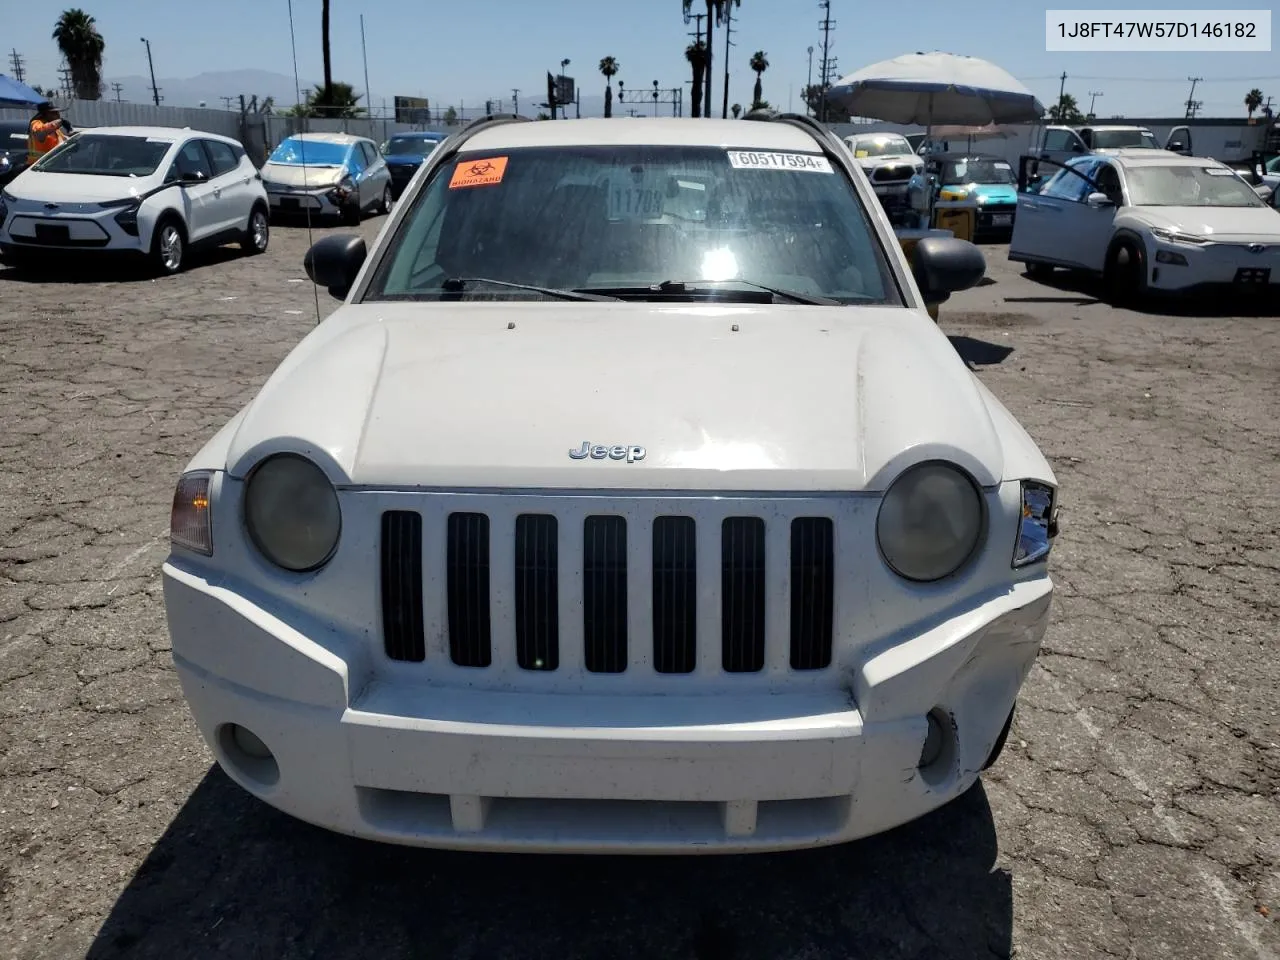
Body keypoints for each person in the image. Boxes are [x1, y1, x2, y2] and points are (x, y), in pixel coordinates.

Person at [26, 100, 69, 165]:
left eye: (57, 112)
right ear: (45, 114)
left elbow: (64, 141)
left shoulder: (55, 129)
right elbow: (40, 133)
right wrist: (60, 122)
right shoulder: (36, 123)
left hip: (52, 165)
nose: (58, 115)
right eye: (54, 113)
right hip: (37, 167)